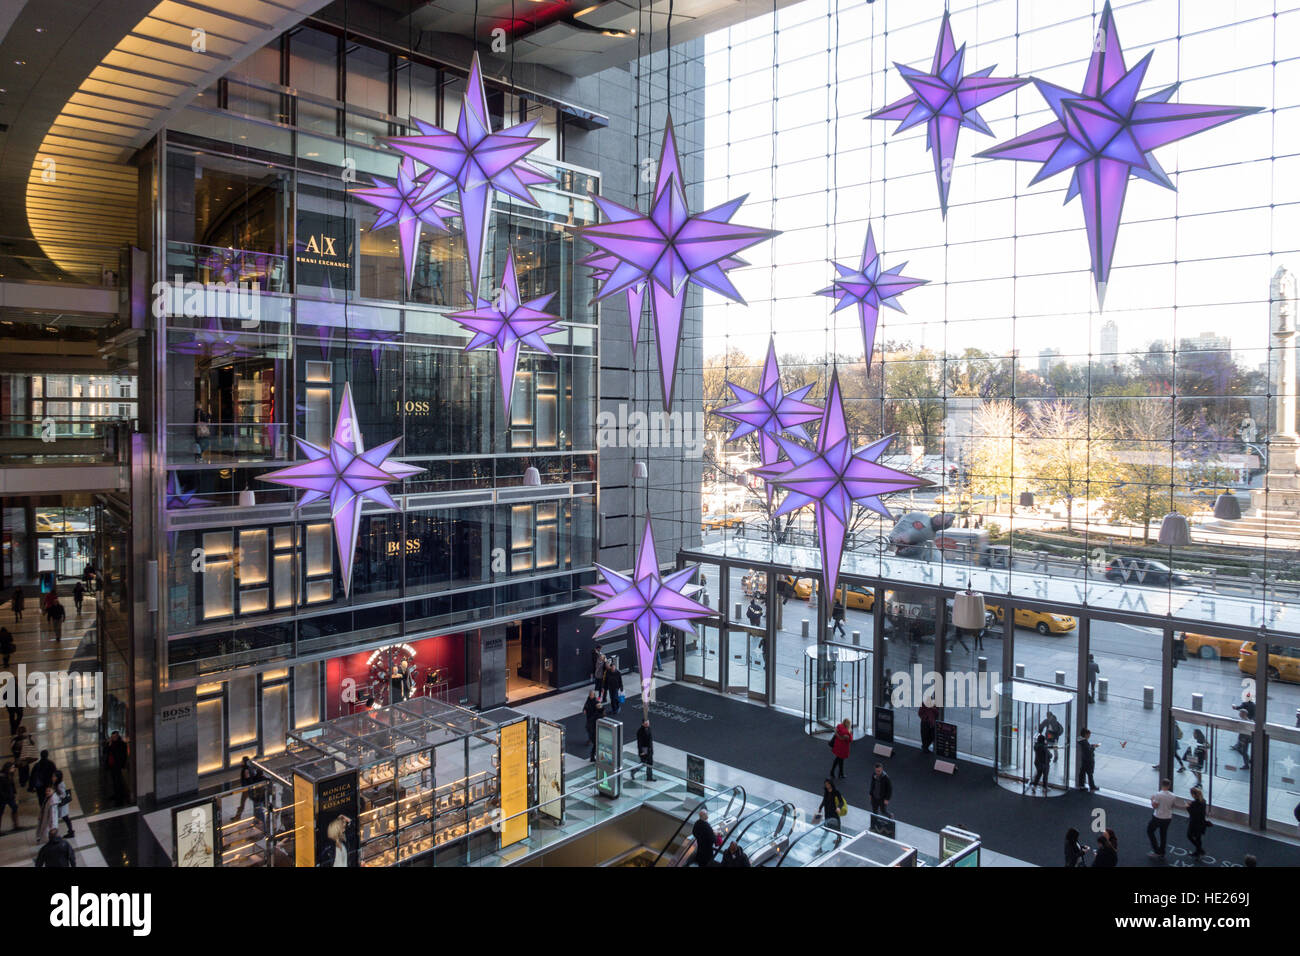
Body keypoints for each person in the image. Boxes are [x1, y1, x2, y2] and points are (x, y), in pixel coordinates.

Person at [1147, 778, 1176, 859]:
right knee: (1163, 834)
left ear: (1162, 784)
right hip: (1168, 818)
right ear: (1169, 786)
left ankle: (1157, 850)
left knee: (1150, 831)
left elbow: (1154, 806)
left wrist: (1152, 799)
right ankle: (1162, 851)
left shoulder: (1158, 794)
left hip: (1158, 817)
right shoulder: (1173, 796)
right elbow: (1172, 806)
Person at [105, 731, 129, 806]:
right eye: (112, 737)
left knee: (118, 780)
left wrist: (123, 764)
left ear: (117, 736)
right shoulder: (111, 743)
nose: (113, 738)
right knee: (114, 780)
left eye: (114, 737)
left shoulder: (121, 744)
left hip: (117, 765)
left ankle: (120, 795)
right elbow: (106, 752)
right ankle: (116, 794)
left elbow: (123, 755)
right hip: (112, 764)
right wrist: (109, 744)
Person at [1186, 786, 1210, 859]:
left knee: (1189, 836)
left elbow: (1192, 813)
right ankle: (1198, 852)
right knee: (1198, 838)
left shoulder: (1194, 804)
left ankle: (1200, 850)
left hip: (1194, 824)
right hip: (1201, 823)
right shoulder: (1203, 801)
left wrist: (1187, 807)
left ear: (1193, 795)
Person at [583, 691, 604, 761]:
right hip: (593, 727)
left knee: (596, 744)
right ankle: (594, 756)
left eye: (592, 695)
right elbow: (586, 705)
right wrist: (585, 709)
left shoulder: (595, 702)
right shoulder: (597, 716)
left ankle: (593, 756)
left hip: (592, 726)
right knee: (596, 744)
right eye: (590, 695)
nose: (591, 696)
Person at [52, 770, 72, 837]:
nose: (53, 777)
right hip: (60, 804)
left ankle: (70, 832)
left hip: (62, 804)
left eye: (54, 776)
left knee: (65, 818)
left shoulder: (60, 784)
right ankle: (70, 831)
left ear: (58, 777)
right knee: (64, 818)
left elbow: (63, 795)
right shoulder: (56, 783)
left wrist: (55, 796)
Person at [0, 761, 17, 831]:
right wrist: (4, 796)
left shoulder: (10, 775)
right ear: (8, 768)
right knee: (0, 812)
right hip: (2, 798)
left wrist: (14, 793)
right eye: (12, 767)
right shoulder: (1, 776)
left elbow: (12, 785)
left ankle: (16, 825)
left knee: (15, 808)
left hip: (10, 797)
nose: (14, 769)